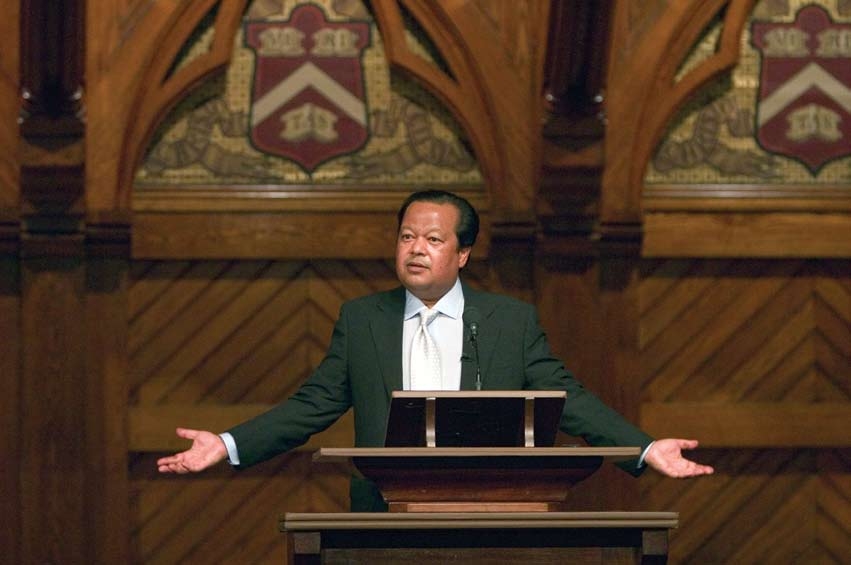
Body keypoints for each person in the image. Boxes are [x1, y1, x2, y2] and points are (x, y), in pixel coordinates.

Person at [158, 189, 713, 510]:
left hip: (485, 512)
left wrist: (642, 449)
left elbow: (566, 398)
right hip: (381, 514)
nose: (415, 249)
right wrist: (228, 444)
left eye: (432, 239)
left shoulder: (509, 322)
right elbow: (313, 406)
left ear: (463, 254)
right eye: (405, 237)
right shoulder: (362, 319)